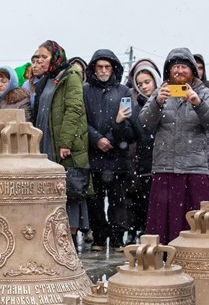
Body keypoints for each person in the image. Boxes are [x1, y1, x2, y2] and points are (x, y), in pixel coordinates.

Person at [139, 48, 209, 243]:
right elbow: (144, 122)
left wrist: (197, 103)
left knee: (194, 222)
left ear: (193, 70)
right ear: (168, 71)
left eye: (184, 66)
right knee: (163, 224)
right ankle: (165, 260)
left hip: (194, 169)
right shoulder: (161, 92)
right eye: (175, 67)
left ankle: (193, 259)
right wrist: (157, 103)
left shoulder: (205, 93)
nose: (179, 71)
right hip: (165, 167)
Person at [30, 40, 90, 242]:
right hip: (46, 140)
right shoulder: (48, 79)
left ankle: (68, 240)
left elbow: (74, 110)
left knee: (68, 190)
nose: (41, 61)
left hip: (62, 144)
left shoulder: (70, 76)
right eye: (38, 57)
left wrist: (66, 142)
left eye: (45, 57)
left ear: (55, 57)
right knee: (51, 190)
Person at [83, 49, 135, 251]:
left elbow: (128, 121)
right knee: (95, 201)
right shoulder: (85, 90)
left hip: (117, 155)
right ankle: (98, 237)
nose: (103, 71)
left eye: (107, 67)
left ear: (113, 68)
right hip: (94, 155)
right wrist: (96, 139)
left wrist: (111, 138)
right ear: (93, 69)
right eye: (99, 67)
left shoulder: (123, 91)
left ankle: (116, 238)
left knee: (118, 201)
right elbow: (82, 121)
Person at [126, 60, 161, 242]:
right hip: (144, 163)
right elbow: (131, 135)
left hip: (163, 162)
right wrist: (120, 122)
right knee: (145, 203)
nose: (144, 87)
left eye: (147, 82)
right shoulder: (136, 107)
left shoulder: (167, 100)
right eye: (140, 84)